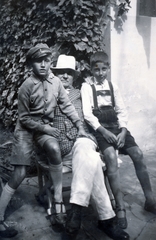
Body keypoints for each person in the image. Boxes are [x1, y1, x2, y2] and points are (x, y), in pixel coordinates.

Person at [0, 44, 87, 238]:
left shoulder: (55, 82)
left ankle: (57, 198)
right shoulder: (26, 86)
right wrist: (45, 128)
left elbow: (66, 105)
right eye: (38, 61)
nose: (43, 65)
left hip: (43, 129)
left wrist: (79, 125)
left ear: (50, 63)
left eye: (47, 61)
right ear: (31, 63)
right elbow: (23, 118)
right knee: (20, 173)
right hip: (26, 130)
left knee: (54, 148)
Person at [52, 54, 130, 240]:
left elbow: (89, 117)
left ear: (74, 76)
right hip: (60, 145)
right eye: (61, 73)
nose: (64, 76)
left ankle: (75, 215)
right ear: (55, 75)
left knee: (88, 150)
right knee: (94, 161)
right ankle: (106, 219)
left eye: (69, 73)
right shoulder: (50, 94)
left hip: (82, 140)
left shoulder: (81, 93)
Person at [81, 51, 156, 229]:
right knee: (111, 159)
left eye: (103, 69)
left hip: (117, 127)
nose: (100, 73)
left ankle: (150, 200)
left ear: (108, 68)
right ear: (91, 69)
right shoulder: (87, 87)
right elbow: (87, 114)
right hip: (100, 129)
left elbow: (122, 110)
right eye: (96, 69)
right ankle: (120, 207)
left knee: (138, 154)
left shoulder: (113, 86)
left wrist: (123, 131)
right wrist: (103, 132)